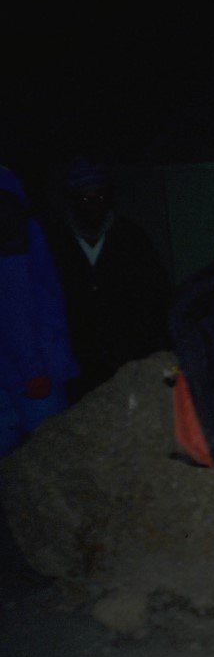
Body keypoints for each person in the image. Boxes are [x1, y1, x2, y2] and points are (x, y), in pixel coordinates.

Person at [44, 156, 171, 402]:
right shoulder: (53, 243)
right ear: (71, 200)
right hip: (74, 367)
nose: (93, 204)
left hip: (126, 363)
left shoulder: (131, 237)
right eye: (85, 197)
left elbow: (157, 298)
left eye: (99, 196)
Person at [0, 166, 77, 457]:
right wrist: (32, 369)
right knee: (53, 456)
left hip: (8, 367)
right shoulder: (6, 204)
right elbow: (12, 295)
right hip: (26, 371)